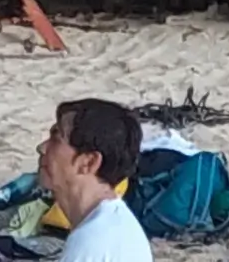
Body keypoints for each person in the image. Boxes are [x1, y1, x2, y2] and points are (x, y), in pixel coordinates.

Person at [36, 98, 152, 262]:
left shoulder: (91, 244)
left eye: (56, 139)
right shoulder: (113, 226)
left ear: (88, 162)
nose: (41, 148)